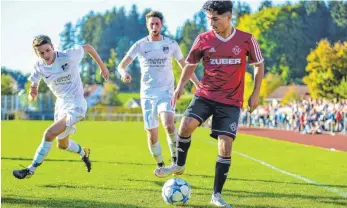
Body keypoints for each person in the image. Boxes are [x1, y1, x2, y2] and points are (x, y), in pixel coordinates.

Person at [154, 1, 264, 207]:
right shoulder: (203, 39)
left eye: (215, 18)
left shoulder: (247, 39)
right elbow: (190, 65)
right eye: (208, 19)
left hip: (231, 101)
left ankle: (216, 196)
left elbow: (258, 65)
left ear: (229, 17)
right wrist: (179, 87)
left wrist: (255, 93)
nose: (211, 23)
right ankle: (178, 165)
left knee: (225, 145)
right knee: (185, 125)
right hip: (205, 95)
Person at [12, 35, 110, 179]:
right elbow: (34, 83)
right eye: (41, 53)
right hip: (61, 104)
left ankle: (30, 170)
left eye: (47, 50)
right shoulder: (38, 65)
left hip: (77, 104)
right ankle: (84, 152)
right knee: (62, 145)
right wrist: (33, 91)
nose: (46, 55)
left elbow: (88, 48)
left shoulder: (68, 56)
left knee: (49, 134)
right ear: (37, 54)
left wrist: (103, 68)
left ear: (52, 47)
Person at [117, 11, 199, 168]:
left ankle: (175, 159)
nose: (154, 27)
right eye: (151, 24)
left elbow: (185, 66)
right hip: (147, 95)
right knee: (152, 135)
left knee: (169, 123)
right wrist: (123, 72)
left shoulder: (171, 44)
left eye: (157, 24)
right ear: (147, 26)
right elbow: (121, 65)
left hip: (166, 92)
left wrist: (197, 84)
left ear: (162, 25)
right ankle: (160, 164)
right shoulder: (140, 45)